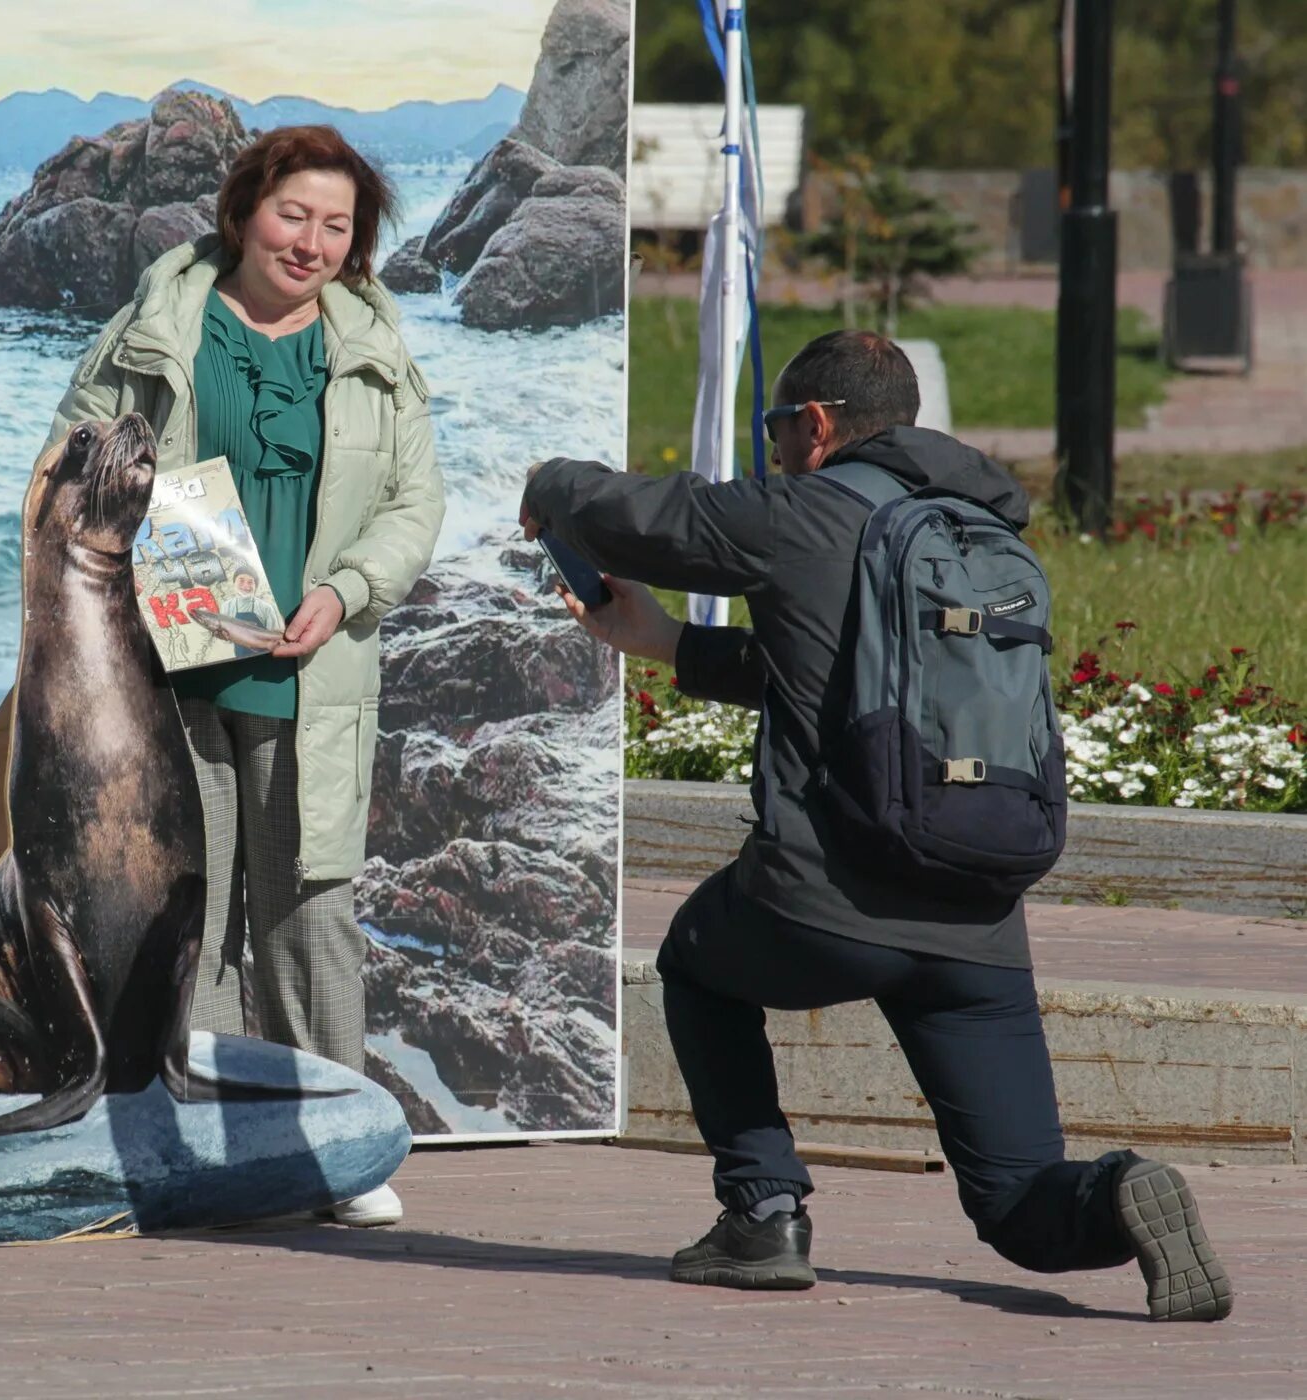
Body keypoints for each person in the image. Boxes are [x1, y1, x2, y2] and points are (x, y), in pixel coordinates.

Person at [517, 330, 1232, 1321]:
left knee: (694, 959)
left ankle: (763, 1211)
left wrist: (549, 481)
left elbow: (649, 519)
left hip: (826, 900)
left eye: (776, 430)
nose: (771, 450)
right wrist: (668, 642)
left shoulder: (804, 511)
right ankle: (1116, 1192)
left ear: (816, 423)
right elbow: (830, 677)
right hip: (976, 914)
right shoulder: (987, 536)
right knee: (1020, 1203)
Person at [44, 125, 444, 1227]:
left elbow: (417, 503)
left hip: (313, 663)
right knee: (193, 909)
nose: (311, 241)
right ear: (242, 211)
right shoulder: (160, 323)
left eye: (337, 225)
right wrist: (117, 567)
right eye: (293, 214)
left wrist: (351, 588)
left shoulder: (374, 346)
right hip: (172, 660)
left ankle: (340, 1145)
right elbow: (72, 457)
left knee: (311, 903)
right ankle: (210, 1145)